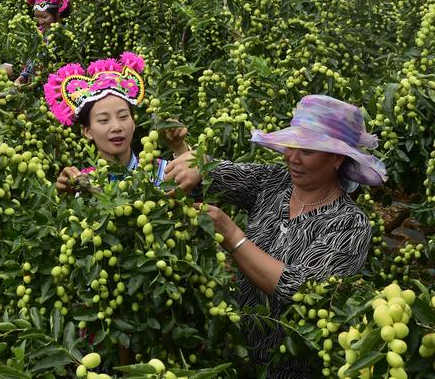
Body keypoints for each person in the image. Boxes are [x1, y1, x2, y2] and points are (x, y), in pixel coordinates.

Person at [164, 95, 387, 377]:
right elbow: (212, 173)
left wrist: (232, 236)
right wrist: (181, 150)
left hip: (291, 367)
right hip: (236, 351)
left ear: (336, 159)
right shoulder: (274, 183)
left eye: (306, 151)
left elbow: (299, 290)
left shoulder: (349, 224)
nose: (292, 158)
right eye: (291, 146)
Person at [44, 52, 189, 192]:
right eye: (103, 120)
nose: (116, 127)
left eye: (123, 117)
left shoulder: (160, 172)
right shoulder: (82, 183)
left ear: (133, 123)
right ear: (87, 131)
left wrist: (180, 149)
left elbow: (201, 191)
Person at [15, 0, 72, 85]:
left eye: (44, 17)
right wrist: (23, 77)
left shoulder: (66, 36)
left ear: (57, 15)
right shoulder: (38, 34)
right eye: (37, 17)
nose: (40, 22)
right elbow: (31, 62)